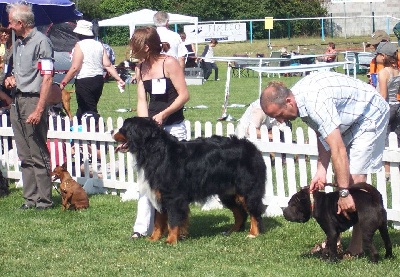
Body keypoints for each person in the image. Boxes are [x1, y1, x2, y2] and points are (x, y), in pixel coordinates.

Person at [260, 72, 389, 257]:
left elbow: (338, 150)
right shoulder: (299, 104)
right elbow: (323, 135)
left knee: (355, 181)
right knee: (343, 177)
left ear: (288, 101)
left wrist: (344, 193)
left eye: (280, 115)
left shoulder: (314, 103)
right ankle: (334, 240)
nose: (281, 121)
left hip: (369, 113)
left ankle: (357, 247)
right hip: (349, 118)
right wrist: (322, 170)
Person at [129, 27, 190, 238]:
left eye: (135, 49)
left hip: (173, 128)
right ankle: (141, 229)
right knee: (145, 181)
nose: (132, 53)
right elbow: (141, 101)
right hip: (152, 132)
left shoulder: (169, 63)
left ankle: (177, 228)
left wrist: (164, 114)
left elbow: (183, 95)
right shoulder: (140, 68)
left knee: (174, 184)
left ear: (146, 47)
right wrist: (143, 127)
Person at [4, 3, 55, 209]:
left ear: (20, 23)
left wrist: (39, 108)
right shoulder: (17, 44)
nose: (8, 26)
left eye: (11, 22)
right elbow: (16, 71)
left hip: (34, 99)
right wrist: (10, 78)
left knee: (37, 150)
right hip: (18, 99)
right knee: (24, 153)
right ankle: (30, 199)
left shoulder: (42, 42)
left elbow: (48, 78)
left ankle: (44, 200)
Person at [59, 20, 125, 123]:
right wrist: (118, 78)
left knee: (90, 110)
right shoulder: (99, 44)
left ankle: (98, 128)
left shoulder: (79, 45)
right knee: (82, 109)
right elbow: (108, 64)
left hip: (84, 81)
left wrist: (63, 83)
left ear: (78, 33)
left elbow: (75, 67)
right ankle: (78, 128)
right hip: (98, 80)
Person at [375, 41, 400, 178]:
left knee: (384, 137)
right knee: (396, 137)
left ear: (383, 56)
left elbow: (383, 95)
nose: (376, 57)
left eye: (377, 55)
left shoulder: (383, 72)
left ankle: (387, 171)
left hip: (387, 107)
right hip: (397, 105)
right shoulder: (397, 71)